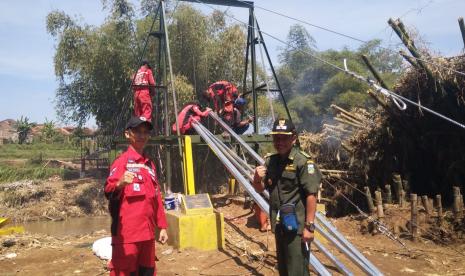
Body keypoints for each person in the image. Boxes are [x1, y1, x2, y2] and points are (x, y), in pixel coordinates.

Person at [253, 118, 321, 276]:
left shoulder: (303, 162)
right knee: (284, 270)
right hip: (279, 226)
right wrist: (256, 178)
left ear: (293, 138)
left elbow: (311, 195)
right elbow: (260, 189)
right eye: (276, 137)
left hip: (296, 228)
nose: (280, 141)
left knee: (297, 271)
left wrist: (309, 227)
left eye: (284, 137)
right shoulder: (271, 161)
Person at [105, 116, 168, 276]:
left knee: (147, 272)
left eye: (145, 132)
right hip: (127, 237)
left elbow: (156, 198)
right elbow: (108, 190)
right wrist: (120, 183)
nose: (141, 136)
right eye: (137, 132)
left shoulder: (149, 165)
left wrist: (162, 227)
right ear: (127, 134)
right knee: (124, 272)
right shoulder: (122, 163)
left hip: (148, 235)